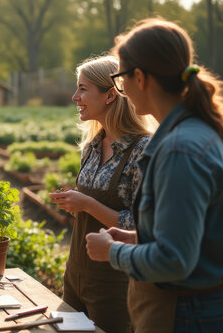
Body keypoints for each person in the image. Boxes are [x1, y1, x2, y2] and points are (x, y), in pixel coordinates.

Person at [86, 18, 223, 333]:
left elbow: (174, 261)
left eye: (121, 79)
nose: (122, 91)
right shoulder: (192, 133)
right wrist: (138, 238)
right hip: (198, 310)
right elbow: (193, 239)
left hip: (191, 316)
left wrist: (113, 252)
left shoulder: (179, 150)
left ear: (140, 77)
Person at [48, 56, 154, 333]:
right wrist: (75, 201)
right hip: (76, 273)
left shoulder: (143, 150)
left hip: (115, 281)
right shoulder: (92, 146)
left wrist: (87, 203)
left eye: (83, 89)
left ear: (110, 95)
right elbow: (90, 206)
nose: (74, 97)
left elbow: (143, 226)